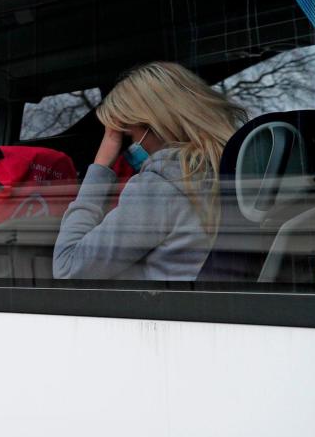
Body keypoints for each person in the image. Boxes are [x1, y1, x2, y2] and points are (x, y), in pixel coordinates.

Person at [53, 61, 245, 280]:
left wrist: (100, 166)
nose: (131, 146)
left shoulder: (162, 184)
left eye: (128, 136)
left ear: (152, 125)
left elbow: (68, 267)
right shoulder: (235, 167)